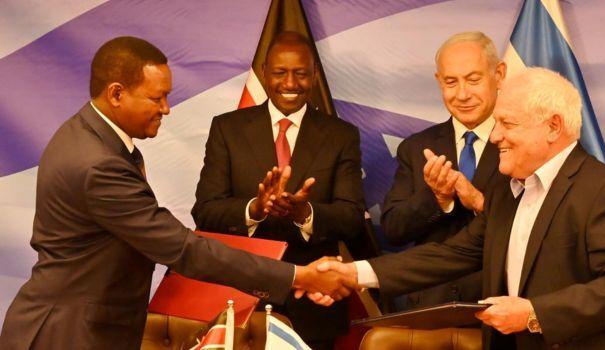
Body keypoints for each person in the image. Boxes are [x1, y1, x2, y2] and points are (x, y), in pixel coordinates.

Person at [0, 36, 351, 350]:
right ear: (117, 94)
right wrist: (298, 275)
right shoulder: (98, 164)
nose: (166, 108)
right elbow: (181, 249)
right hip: (69, 334)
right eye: (157, 97)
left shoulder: (88, 136)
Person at [317, 68, 605, 349]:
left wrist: (534, 313)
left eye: (507, 123)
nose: (495, 136)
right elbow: (452, 254)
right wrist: (353, 274)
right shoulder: (506, 189)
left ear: (553, 127)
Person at [191, 31, 365, 349]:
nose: (290, 83)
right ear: (264, 73)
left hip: (314, 307)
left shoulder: (342, 135)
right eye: (280, 72)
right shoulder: (226, 128)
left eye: (300, 73)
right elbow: (205, 212)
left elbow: (352, 217)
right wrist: (254, 210)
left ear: (314, 75)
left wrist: (305, 213)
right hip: (239, 300)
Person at [381, 31, 505, 308]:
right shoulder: (417, 147)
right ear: (439, 82)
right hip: (431, 306)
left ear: (499, 75)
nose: (462, 94)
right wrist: (436, 199)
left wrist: (480, 202)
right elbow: (393, 228)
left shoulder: (521, 142)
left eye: (473, 80)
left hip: (502, 304)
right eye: (451, 82)